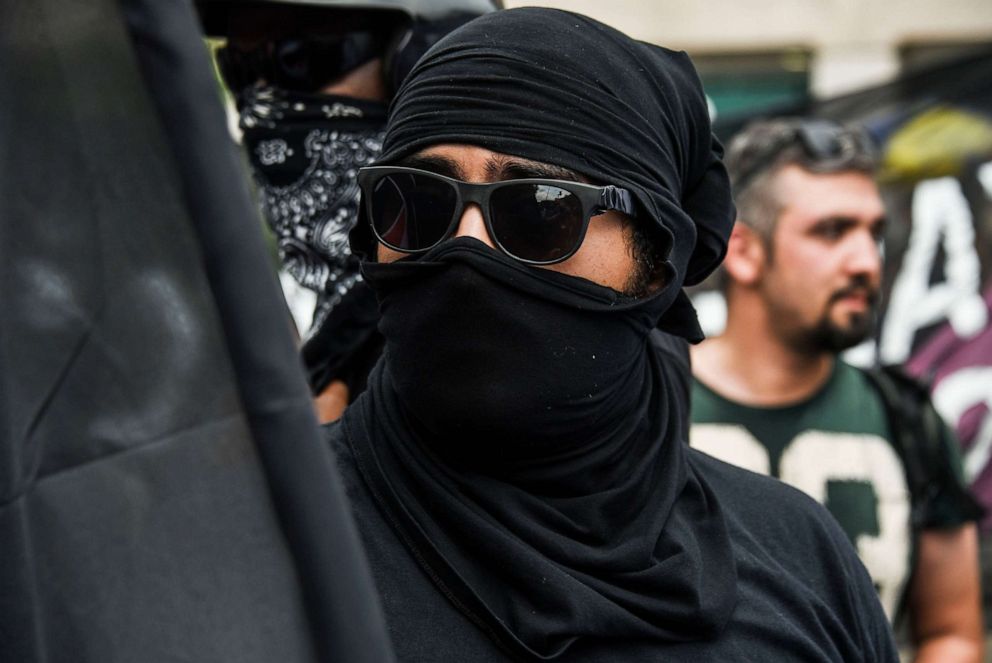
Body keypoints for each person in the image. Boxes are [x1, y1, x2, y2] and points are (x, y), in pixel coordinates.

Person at [325, 8, 898, 661]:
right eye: (421, 203)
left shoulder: (800, 558)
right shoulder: (260, 536)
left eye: (541, 210)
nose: (466, 247)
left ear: (653, 262)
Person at [690, 118, 984, 662]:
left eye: (872, 232)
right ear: (744, 251)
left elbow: (952, 631)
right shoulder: (644, 405)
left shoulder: (907, 419)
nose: (866, 262)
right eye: (831, 230)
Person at [196, 0, 500, 422]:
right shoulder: (275, 318)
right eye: (241, 68)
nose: (262, 101)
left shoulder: (487, 340)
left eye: (296, 59)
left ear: (419, 62)